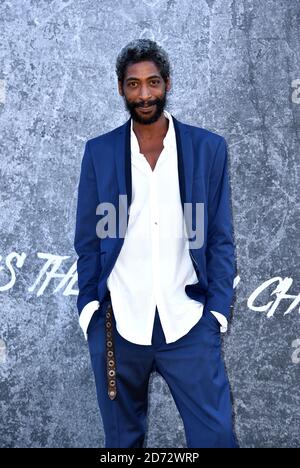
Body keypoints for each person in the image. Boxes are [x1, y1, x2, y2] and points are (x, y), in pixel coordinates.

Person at [74, 38, 238, 448]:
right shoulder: (101, 153)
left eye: (152, 83)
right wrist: (90, 311)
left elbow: (219, 237)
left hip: (188, 320)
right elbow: (89, 239)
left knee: (216, 437)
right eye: (133, 85)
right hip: (118, 324)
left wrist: (216, 313)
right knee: (122, 444)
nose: (144, 94)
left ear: (167, 84)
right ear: (120, 89)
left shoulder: (206, 149)